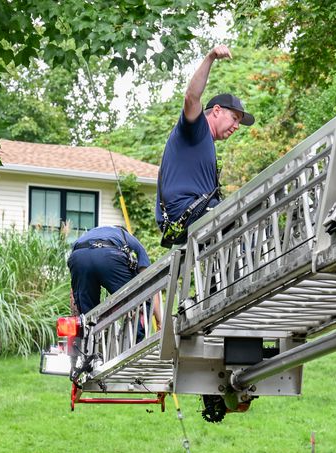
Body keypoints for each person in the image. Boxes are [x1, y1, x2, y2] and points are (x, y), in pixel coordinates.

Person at [155, 44, 255, 246]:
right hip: (187, 212)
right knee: (250, 211)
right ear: (216, 111)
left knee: (247, 217)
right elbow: (191, 97)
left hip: (190, 216)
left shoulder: (204, 142)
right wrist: (210, 57)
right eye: (234, 118)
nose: (236, 126)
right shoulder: (196, 129)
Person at [67, 226, 151, 315]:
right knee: (141, 300)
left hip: (78, 258)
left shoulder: (89, 234)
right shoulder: (125, 235)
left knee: (88, 315)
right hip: (108, 255)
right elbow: (146, 274)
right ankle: (139, 327)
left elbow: (75, 287)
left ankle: (89, 326)